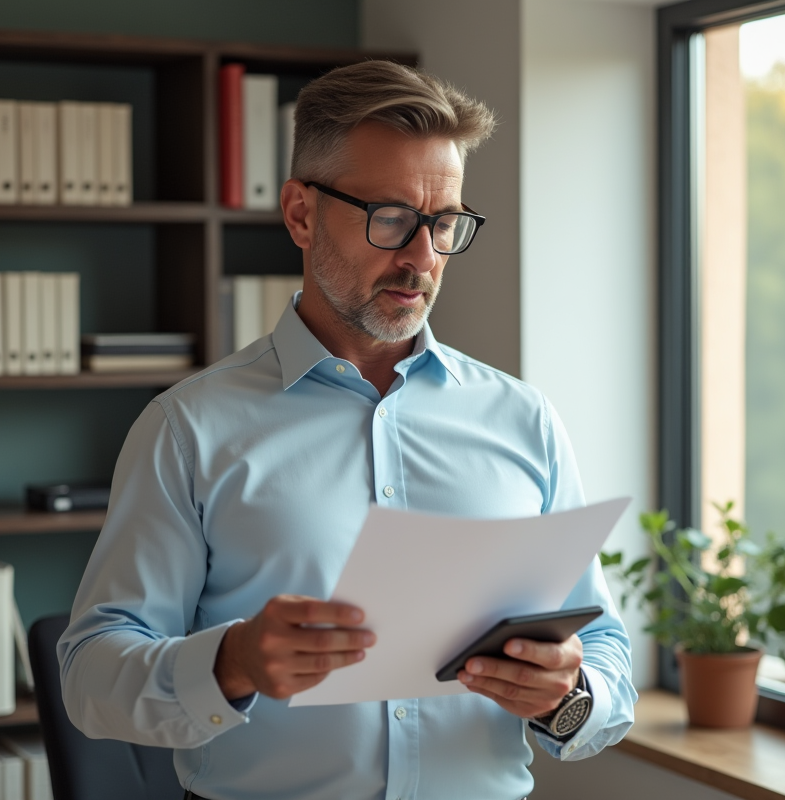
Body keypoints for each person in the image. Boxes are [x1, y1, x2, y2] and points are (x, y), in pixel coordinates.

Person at [58, 60, 636, 800]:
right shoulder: (187, 430)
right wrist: (231, 662)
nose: (422, 258)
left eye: (444, 223)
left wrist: (567, 696)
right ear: (301, 214)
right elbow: (91, 676)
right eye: (390, 218)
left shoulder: (525, 422)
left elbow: (604, 648)